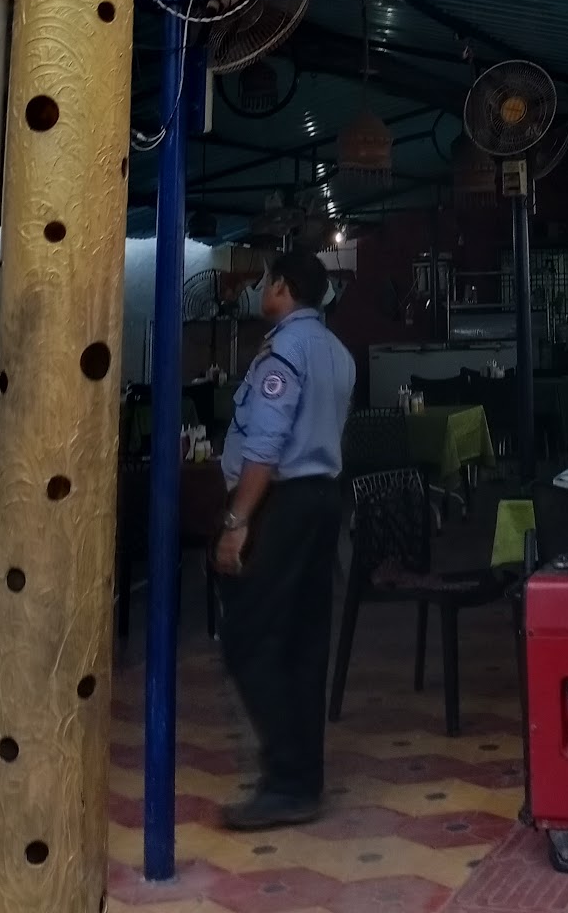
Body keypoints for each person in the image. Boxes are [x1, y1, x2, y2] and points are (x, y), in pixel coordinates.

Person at [214, 246, 356, 830]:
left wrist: (237, 521)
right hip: (323, 500)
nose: (259, 291)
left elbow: (266, 446)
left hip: (283, 505)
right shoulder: (337, 352)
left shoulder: (285, 352)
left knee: (247, 636)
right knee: (304, 641)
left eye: (266, 281)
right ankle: (303, 781)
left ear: (283, 288)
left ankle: (287, 778)